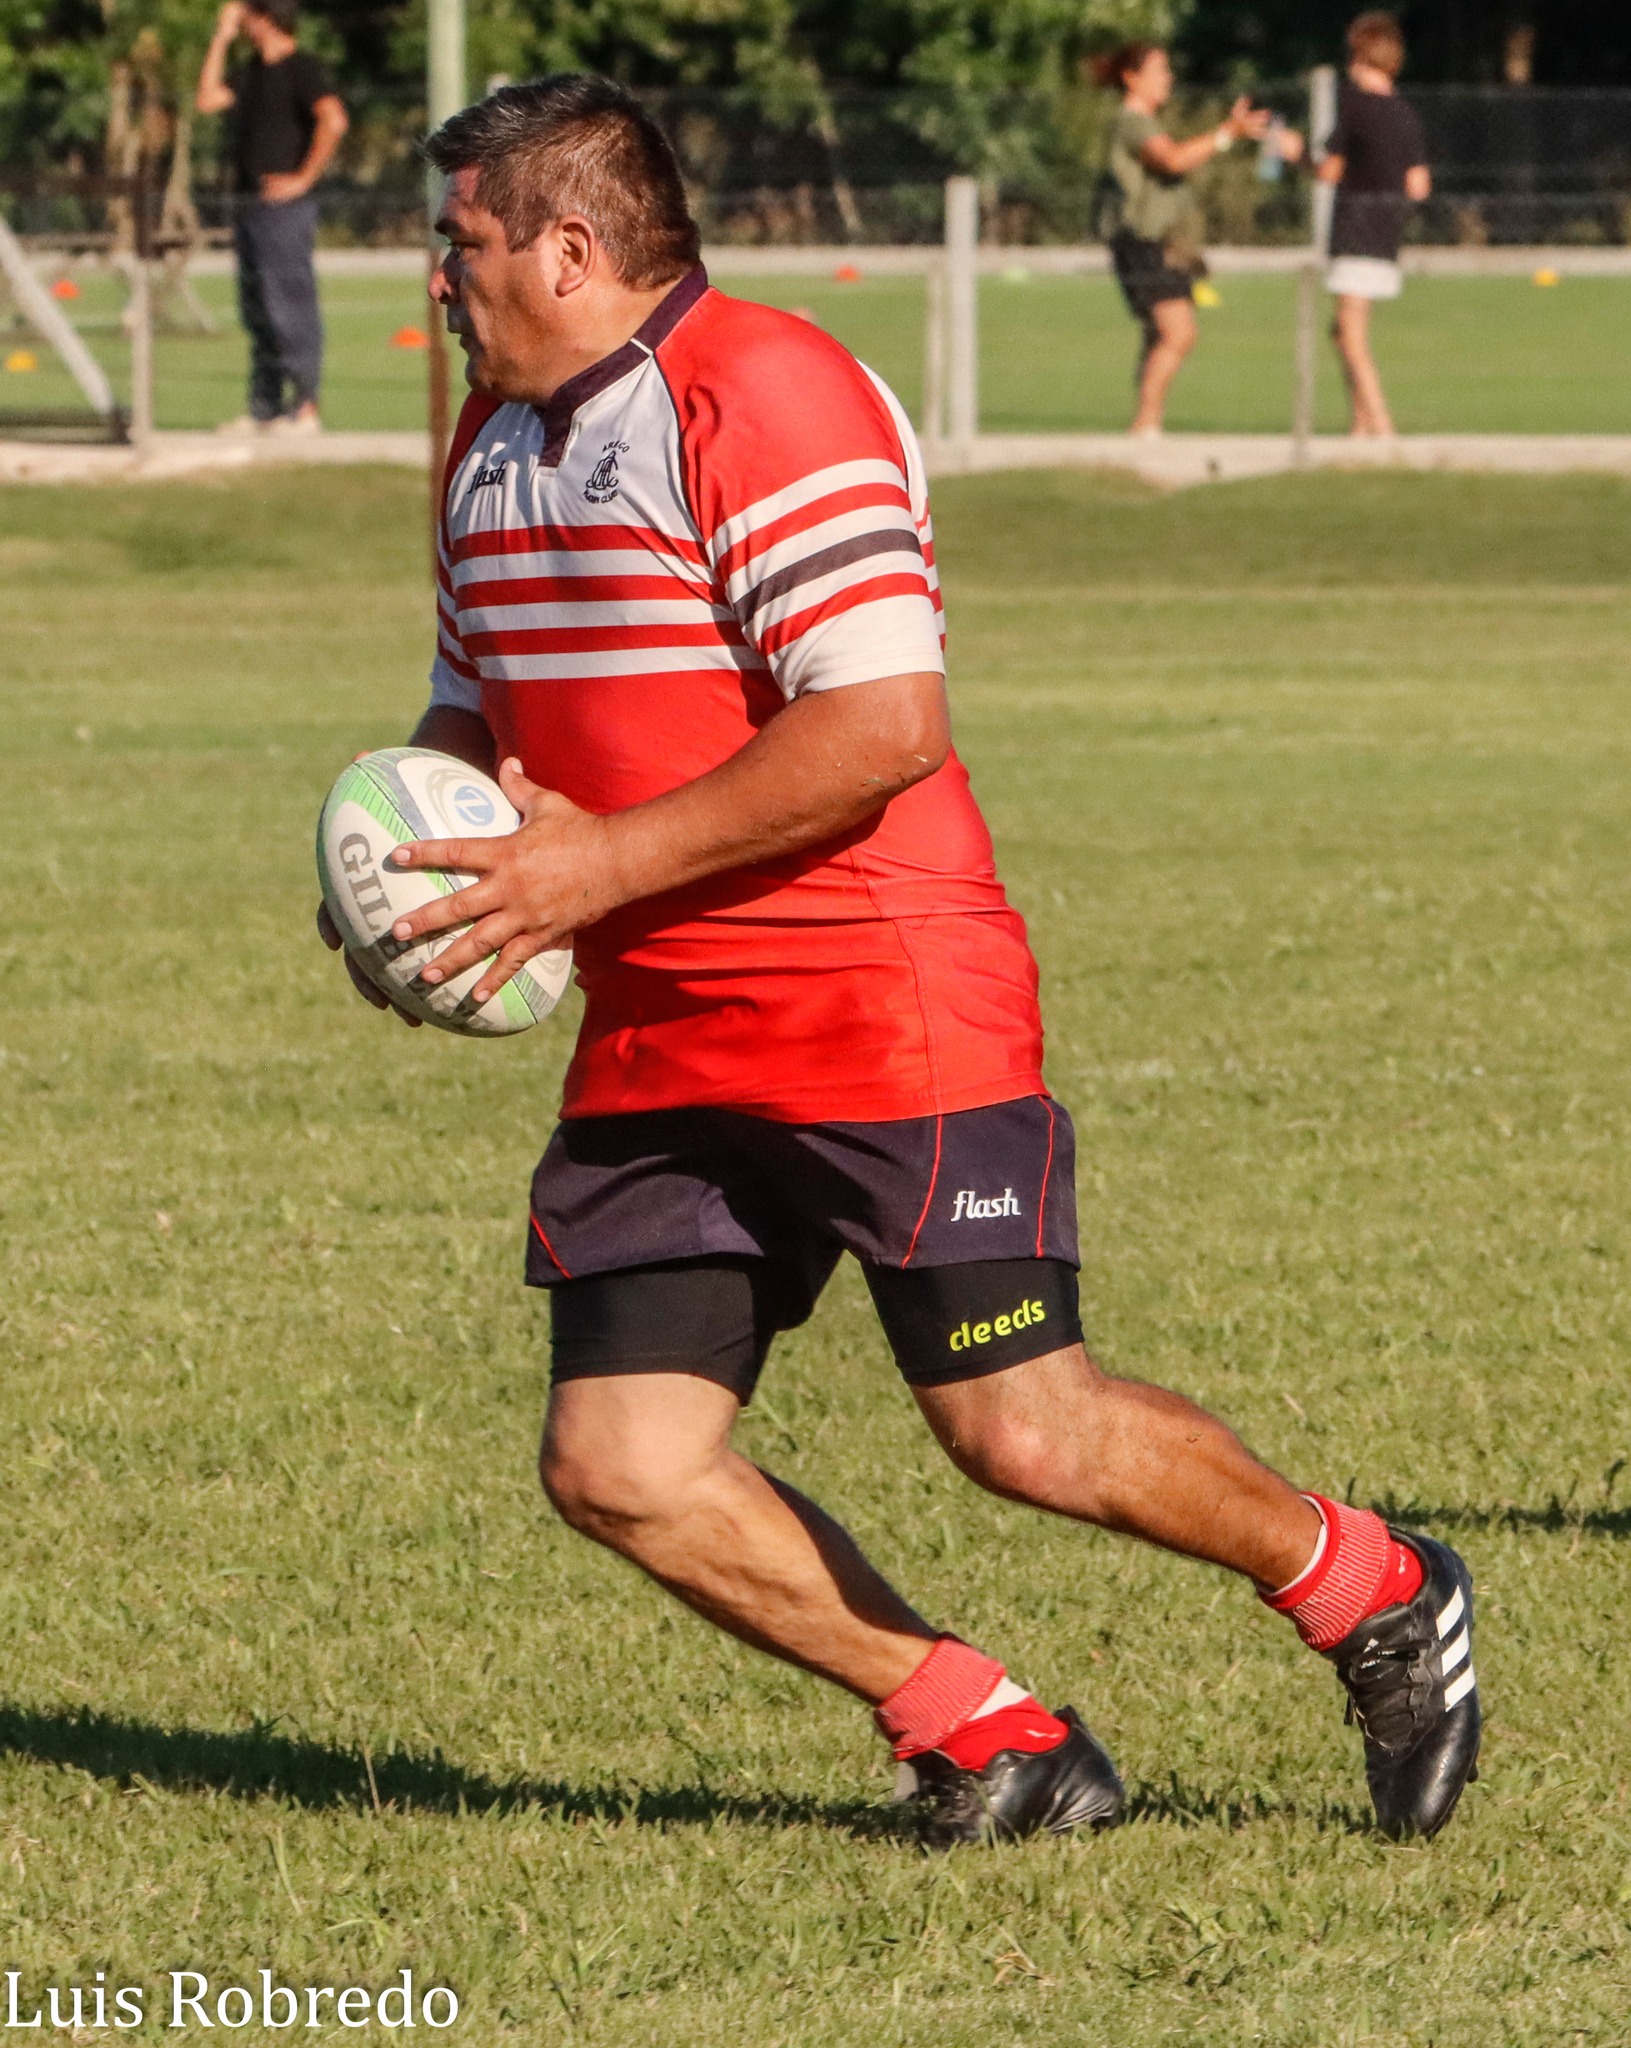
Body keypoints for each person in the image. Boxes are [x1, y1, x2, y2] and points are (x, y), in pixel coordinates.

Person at [318, 74, 1480, 1846]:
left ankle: (1372, 1585)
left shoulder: (764, 393)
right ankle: (988, 1734)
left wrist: (589, 867)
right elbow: (469, 714)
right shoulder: (489, 436)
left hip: (878, 1006)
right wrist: (424, 887)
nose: (436, 277)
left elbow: (879, 727)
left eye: (456, 242)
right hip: (660, 1035)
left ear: (567, 247)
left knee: (1021, 1430)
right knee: (619, 1464)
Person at [1093, 45, 1301, 436]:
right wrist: (1226, 134)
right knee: (1179, 333)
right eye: (1159, 70)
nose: (1168, 78)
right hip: (1144, 240)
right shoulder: (1132, 123)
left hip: (1162, 242)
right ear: (1131, 78)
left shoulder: (1145, 122)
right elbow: (1172, 159)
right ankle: (1145, 423)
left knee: (1161, 334)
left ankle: (1147, 422)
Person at [196, 0, 347, 433]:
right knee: (257, 308)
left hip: (285, 209)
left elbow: (333, 120)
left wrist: (302, 179)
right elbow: (207, 99)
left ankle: (305, 407)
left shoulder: (302, 68)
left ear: (266, 18)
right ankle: (265, 407)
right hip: (249, 204)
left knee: (289, 306)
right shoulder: (250, 72)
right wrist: (221, 37)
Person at [1318, 12, 1432, 438]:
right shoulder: (1406, 114)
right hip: (1387, 235)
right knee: (1342, 331)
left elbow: (1329, 171)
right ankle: (1360, 424)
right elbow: (1418, 185)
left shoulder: (1355, 107)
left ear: (1360, 59)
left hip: (1354, 232)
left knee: (1350, 335)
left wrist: (1295, 155)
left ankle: (1382, 426)